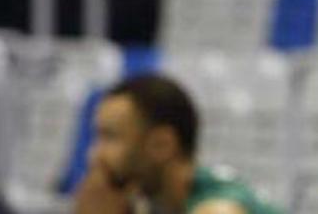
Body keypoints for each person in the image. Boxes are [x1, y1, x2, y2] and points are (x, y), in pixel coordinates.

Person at [73, 74, 282, 214]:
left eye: (110, 137)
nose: (95, 155)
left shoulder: (221, 206)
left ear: (162, 144)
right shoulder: (153, 205)